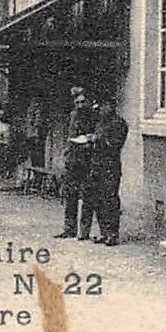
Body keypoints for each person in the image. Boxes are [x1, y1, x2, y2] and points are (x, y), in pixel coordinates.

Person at [56, 85, 96, 239]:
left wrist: (88, 141)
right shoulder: (73, 116)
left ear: (88, 102)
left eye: (82, 102)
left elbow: (96, 135)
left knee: (87, 196)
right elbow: (70, 136)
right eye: (77, 102)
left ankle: (84, 231)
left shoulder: (93, 116)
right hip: (73, 159)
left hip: (87, 160)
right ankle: (69, 229)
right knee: (70, 195)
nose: (80, 105)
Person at [89, 97, 129, 245]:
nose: (101, 109)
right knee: (98, 199)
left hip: (110, 166)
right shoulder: (100, 122)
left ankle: (113, 233)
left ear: (112, 106)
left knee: (110, 198)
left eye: (104, 106)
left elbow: (115, 144)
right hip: (97, 164)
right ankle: (103, 232)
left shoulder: (119, 123)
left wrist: (97, 139)